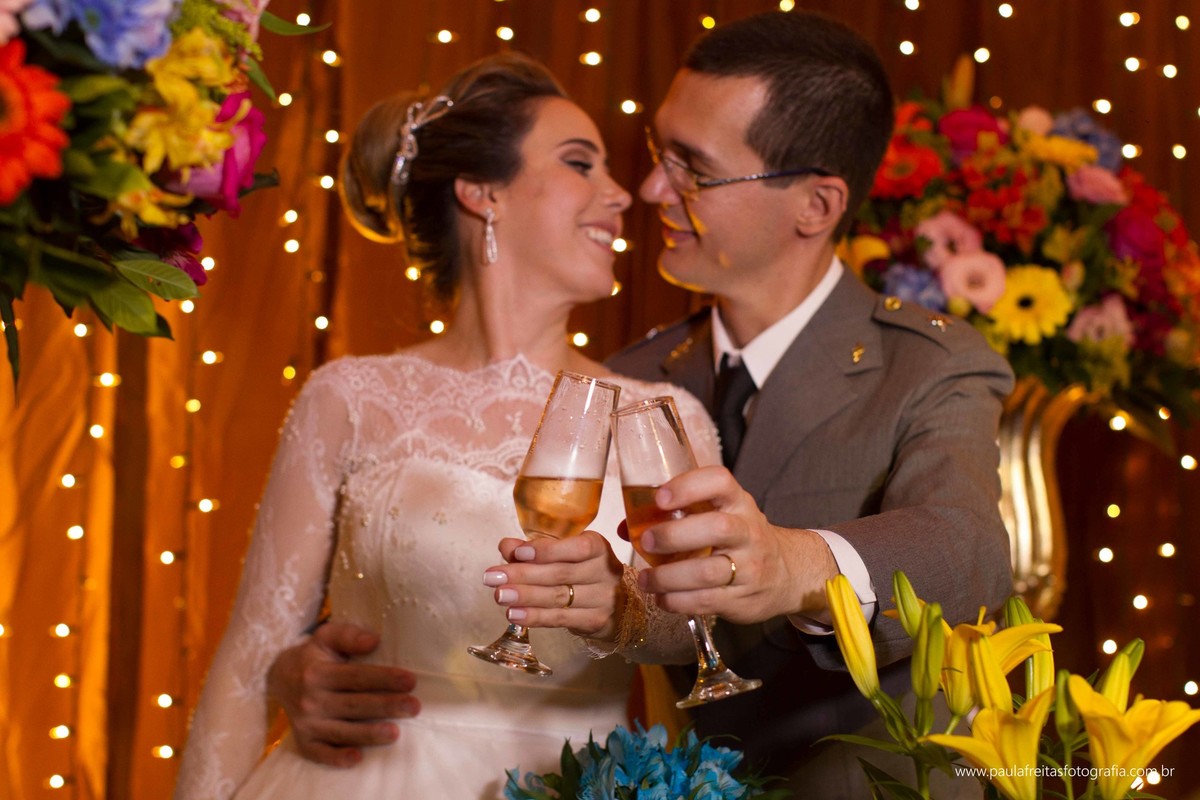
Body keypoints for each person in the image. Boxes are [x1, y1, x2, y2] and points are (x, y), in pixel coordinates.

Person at [264, 11, 1016, 797]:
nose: (652, 189)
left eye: (694, 168)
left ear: (816, 207)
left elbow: (968, 547)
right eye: (661, 154)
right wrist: (298, 667)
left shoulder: (931, 364)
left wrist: (792, 566)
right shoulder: (622, 380)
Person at [172, 52, 720, 800]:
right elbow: (248, 660)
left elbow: (704, 641)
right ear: (481, 192)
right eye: (578, 164)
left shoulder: (662, 417)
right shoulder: (350, 397)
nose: (620, 194)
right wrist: (285, 671)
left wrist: (623, 608)